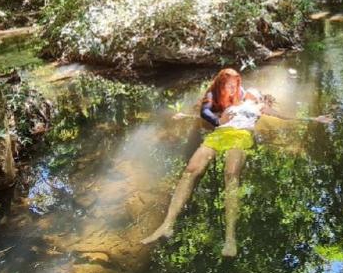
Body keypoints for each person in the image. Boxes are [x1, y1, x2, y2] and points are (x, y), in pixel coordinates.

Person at [142, 87, 331, 257]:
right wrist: (185, 116)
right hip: (220, 134)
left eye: (255, 91)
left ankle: (230, 238)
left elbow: (284, 117)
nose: (249, 90)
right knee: (190, 170)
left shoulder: (259, 107)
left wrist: (314, 119)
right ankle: (167, 225)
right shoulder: (232, 105)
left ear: (259, 98)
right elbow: (213, 118)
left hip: (241, 135)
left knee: (231, 175)